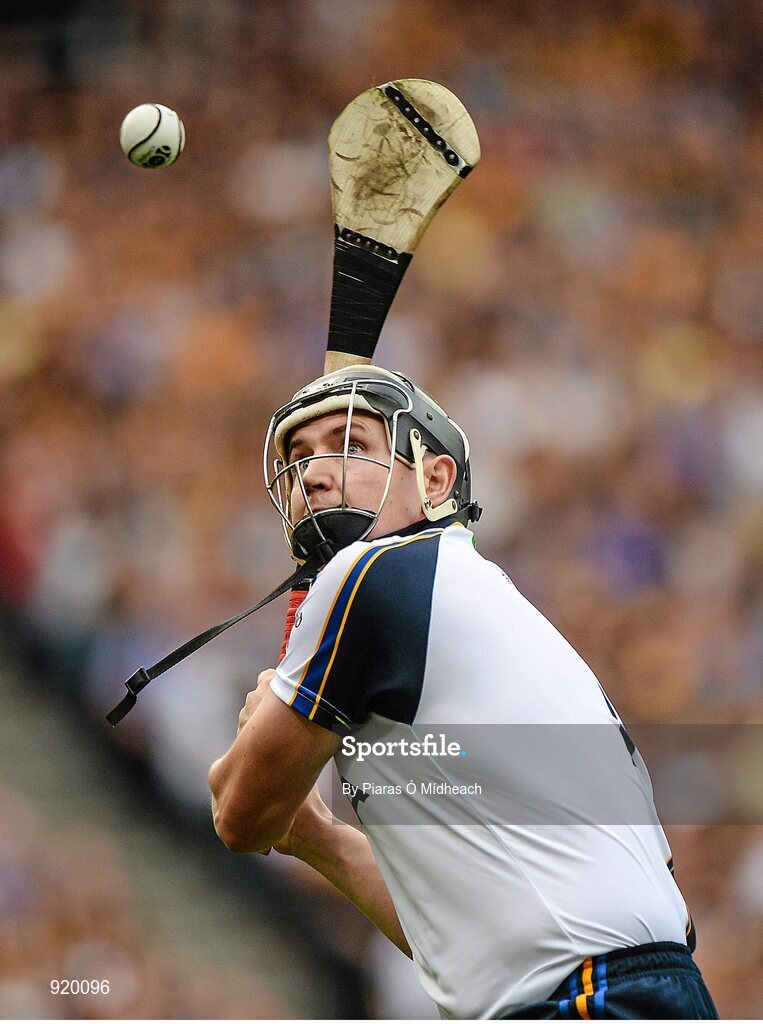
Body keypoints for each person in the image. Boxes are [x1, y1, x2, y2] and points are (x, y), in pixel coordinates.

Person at [208, 365, 719, 1019]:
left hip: (586, 998)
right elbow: (460, 942)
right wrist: (318, 837)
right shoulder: (487, 612)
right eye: (299, 457)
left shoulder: (374, 572)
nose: (309, 474)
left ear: (435, 479)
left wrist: (258, 734)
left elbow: (240, 816)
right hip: (633, 991)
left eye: (351, 445)